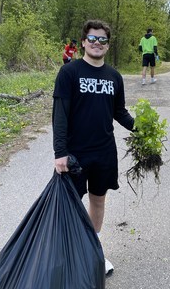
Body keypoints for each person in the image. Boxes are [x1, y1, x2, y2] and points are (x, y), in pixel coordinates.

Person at [53, 20, 135, 273]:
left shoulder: (114, 76)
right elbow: (60, 114)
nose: (97, 43)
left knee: (98, 201)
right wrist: (60, 153)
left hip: (104, 152)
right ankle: (70, 254)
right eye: (92, 38)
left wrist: (139, 127)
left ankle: (94, 251)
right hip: (75, 154)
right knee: (71, 205)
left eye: (102, 40)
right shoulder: (69, 73)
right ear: (84, 42)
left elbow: (119, 111)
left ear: (108, 45)